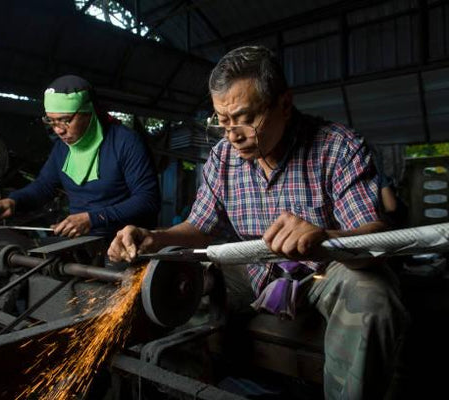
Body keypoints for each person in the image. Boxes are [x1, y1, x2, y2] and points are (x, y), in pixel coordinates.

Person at [107, 46, 408, 399]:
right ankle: (185, 388)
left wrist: (326, 237)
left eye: (245, 117)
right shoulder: (224, 156)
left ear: (284, 103)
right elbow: (199, 226)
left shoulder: (337, 147)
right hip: (254, 268)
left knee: (373, 296)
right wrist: (153, 237)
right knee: (179, 276)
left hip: (324, 268)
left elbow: (375, 236)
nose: (233, 135)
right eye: (222, 121)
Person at [0, 75, 161, 240]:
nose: (58, 129)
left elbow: (147, 200)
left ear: (89, 113)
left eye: (65, 120)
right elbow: (44, 186)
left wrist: (92, 219)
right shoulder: (63, 148)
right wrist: (14, 201)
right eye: (51, 120)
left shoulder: (125, 142)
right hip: (81, 243)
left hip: (124, 242)